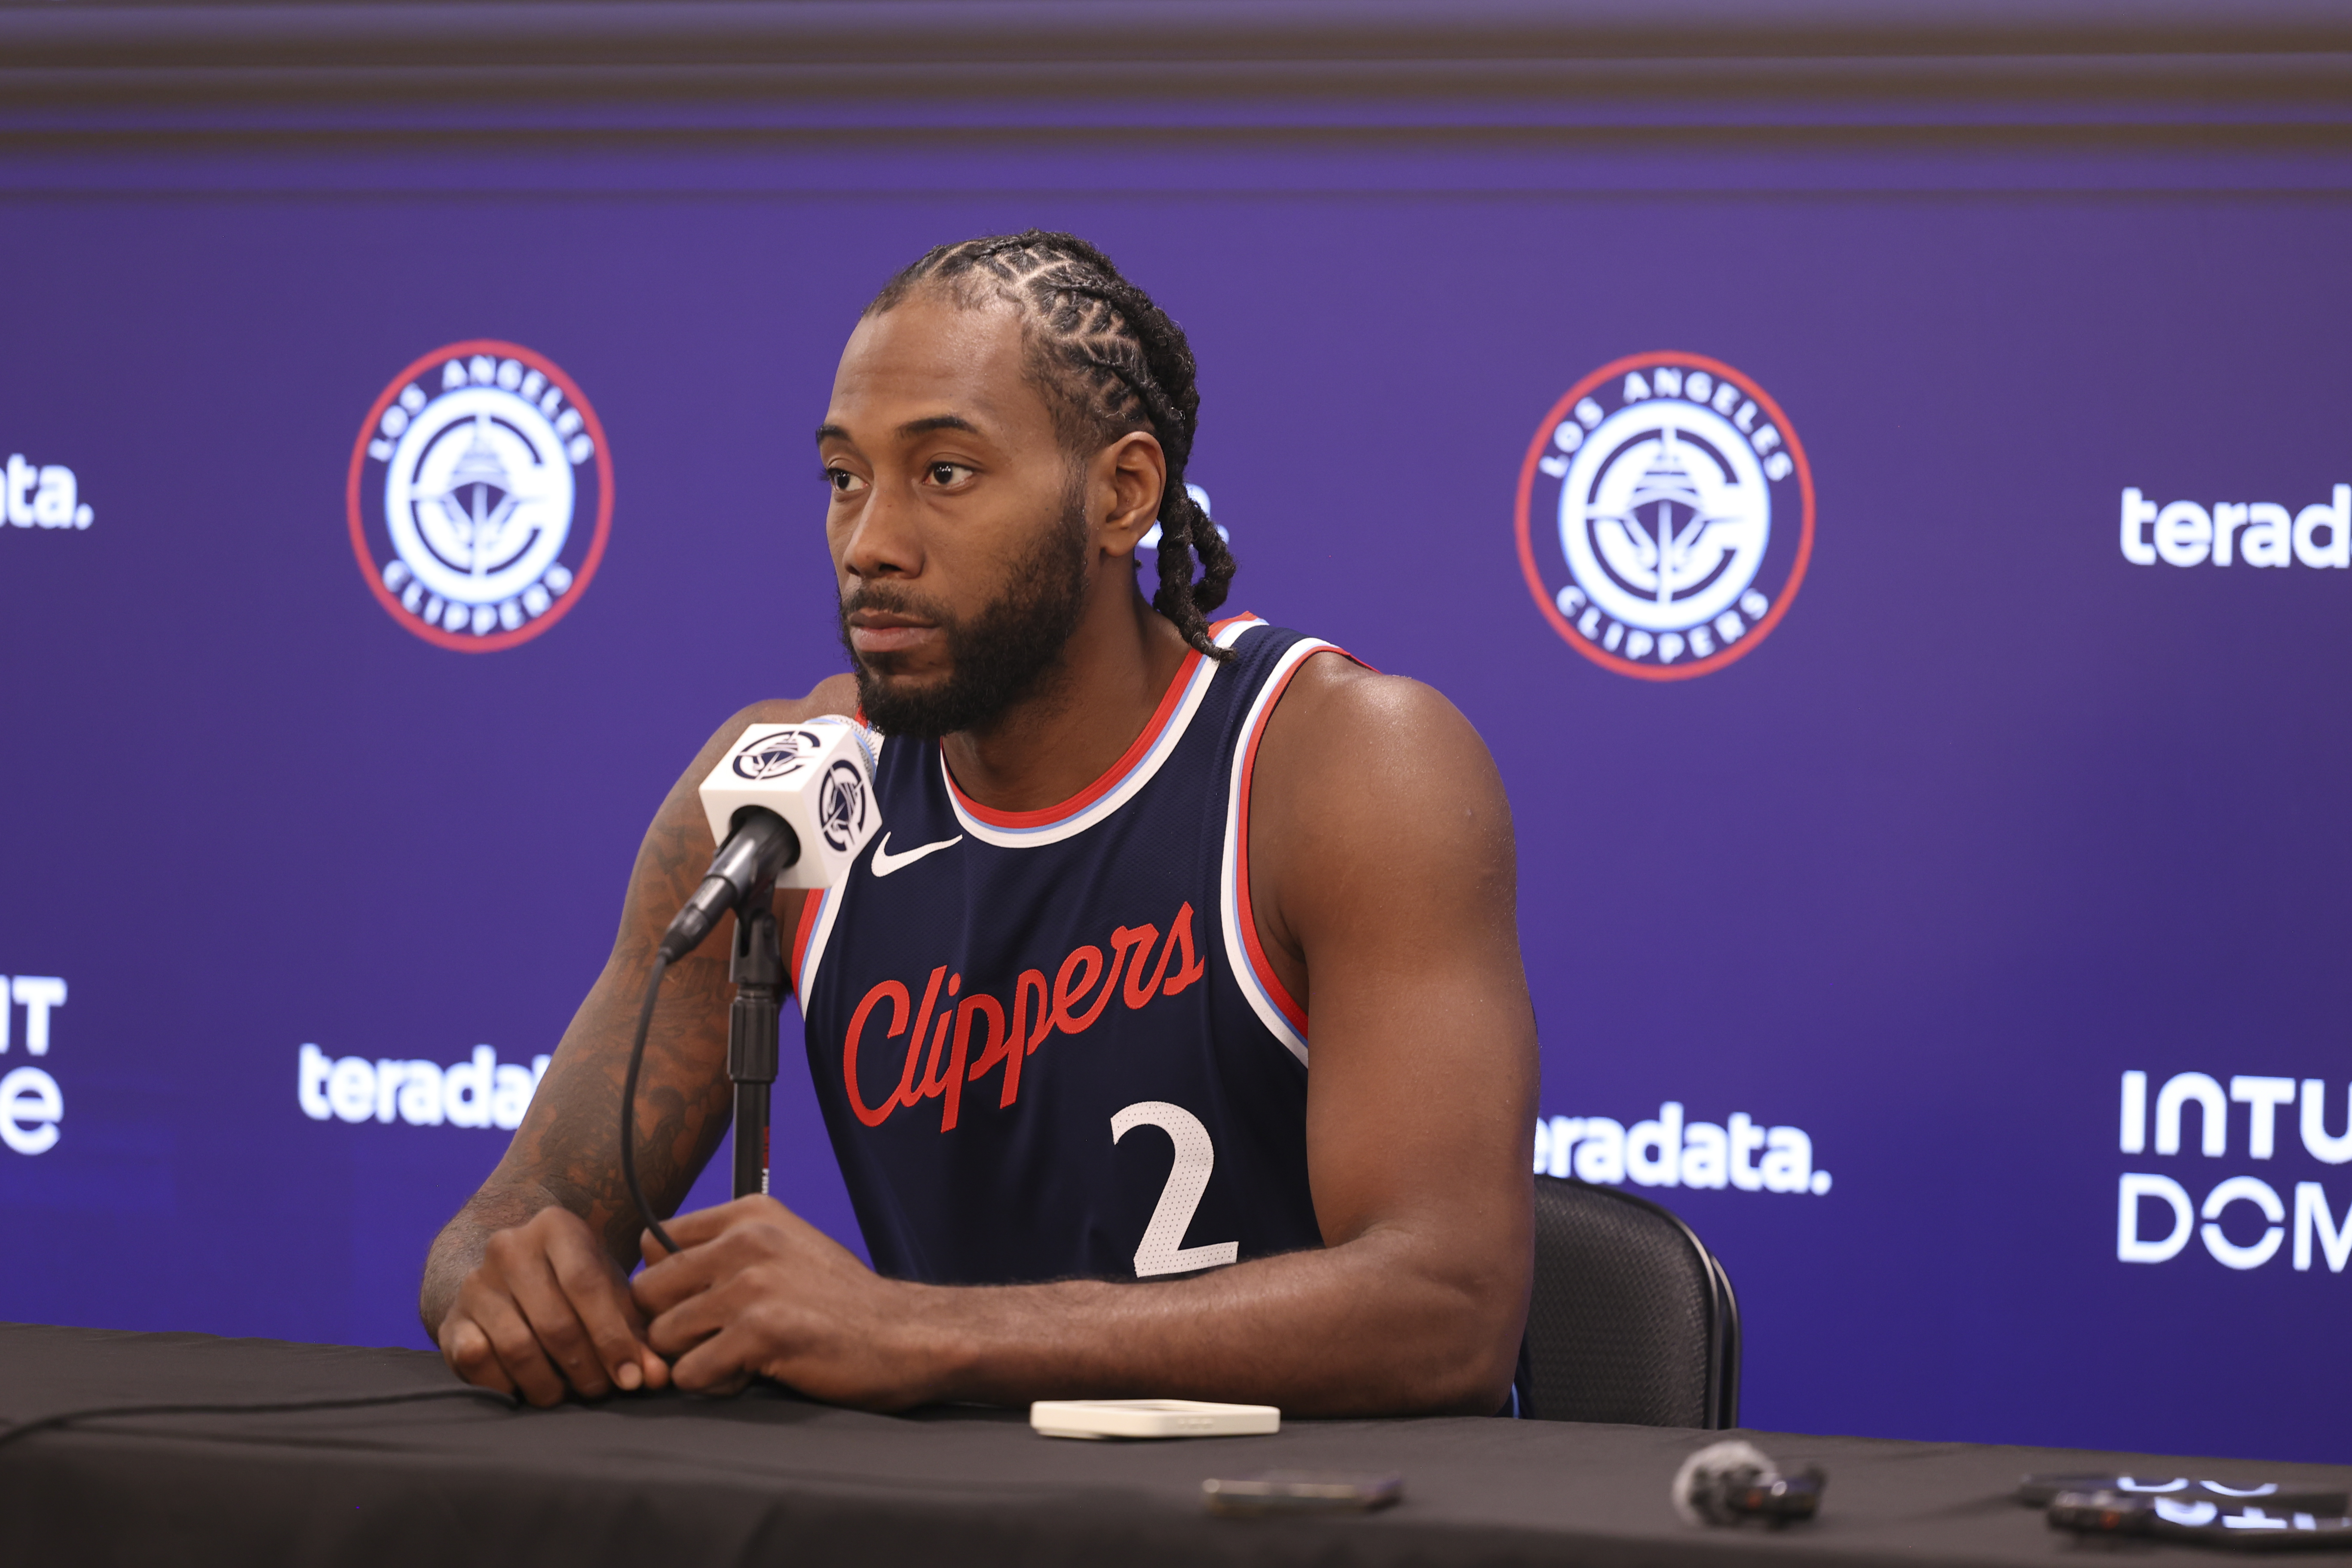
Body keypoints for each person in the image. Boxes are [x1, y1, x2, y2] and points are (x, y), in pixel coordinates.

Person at [420, 230, 1539, 1416]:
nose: (871, 544)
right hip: (953, 1506)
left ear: (1123, 494)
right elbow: (505, 1223)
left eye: (944, 473)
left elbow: (1449, 1310)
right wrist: (499, 1282)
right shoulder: (786, 793)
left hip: (1298, 1503)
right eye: (844, 478)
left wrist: (915, 1331)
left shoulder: (1340, 764)